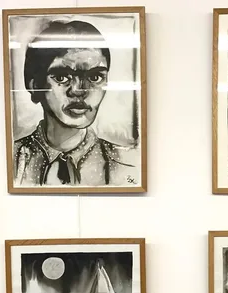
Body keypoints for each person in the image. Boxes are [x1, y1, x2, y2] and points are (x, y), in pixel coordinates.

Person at [14, 20, 138, 186]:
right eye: (61, 77)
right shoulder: (11, 160)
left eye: (95, 77)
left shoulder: (127, 165)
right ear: (35, 86)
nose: (79, 90)